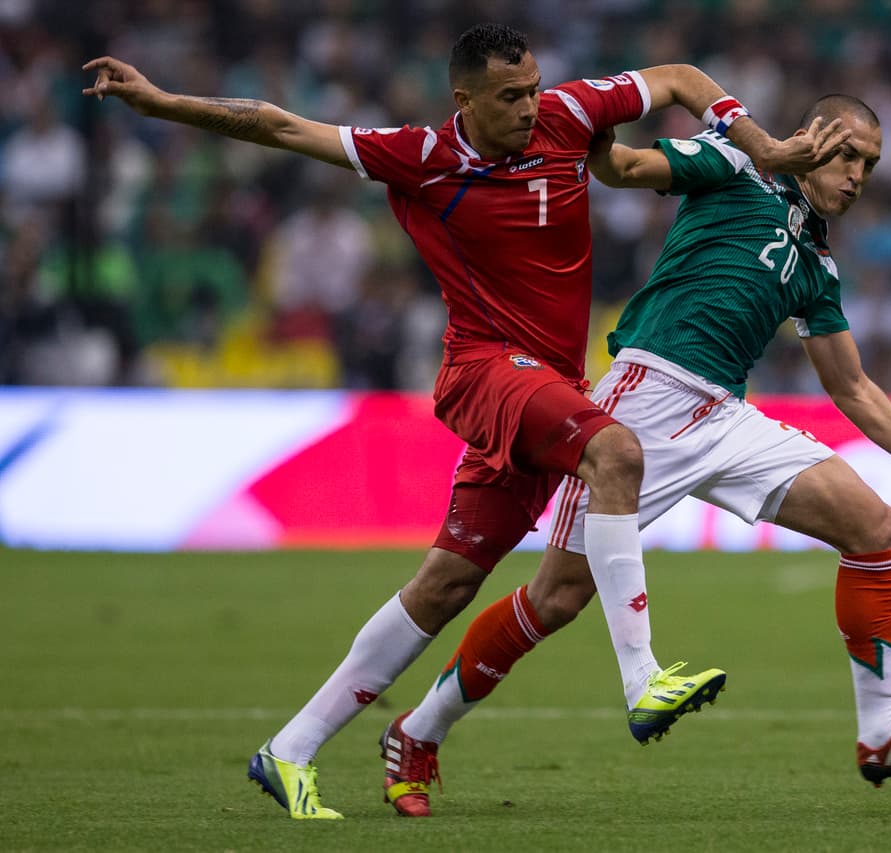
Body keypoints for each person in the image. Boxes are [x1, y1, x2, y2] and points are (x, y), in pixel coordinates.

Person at [84, 23, 850, 820]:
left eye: (534, 89)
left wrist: (764, 145)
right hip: (485, 368)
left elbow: (682, 76)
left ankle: (291, 748)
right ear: (466, 99)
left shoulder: (568, 112)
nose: (530, 108)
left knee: (447, 581)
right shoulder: (422, 156)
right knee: (616, 451)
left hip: (548, 385)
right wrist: (162, 102)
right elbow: (278, 125)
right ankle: (643, 678)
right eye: (511, 97)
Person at [391, 94, 891, 815]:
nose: (857, 175)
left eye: (869, 164)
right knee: (556, 598)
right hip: (644, 402)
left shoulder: (817, 262)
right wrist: (594, 118)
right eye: (847, 154)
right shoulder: (736, 165)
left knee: (874, 527)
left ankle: (883, 732)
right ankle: (416, 732)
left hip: (725, 416)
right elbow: (621, 168)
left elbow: (852, 387)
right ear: (809, 137)